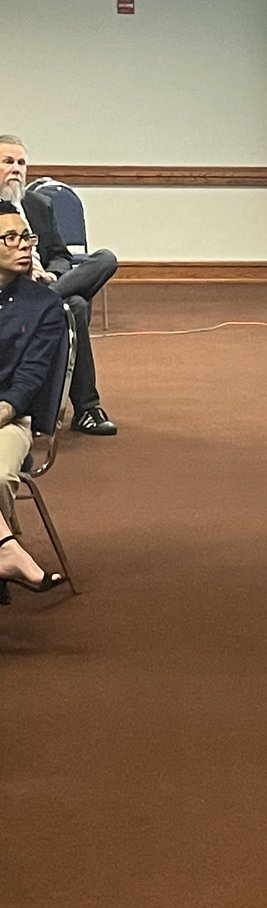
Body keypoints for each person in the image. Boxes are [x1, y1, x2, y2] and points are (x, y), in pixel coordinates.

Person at [0, 134, 118, 435]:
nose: (16, 169)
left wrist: (52, 275)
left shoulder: (39, 204)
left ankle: (51, 296)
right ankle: (87, 409)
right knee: (75, 305)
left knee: (105, 259)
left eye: (22, 163)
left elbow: (60, 255)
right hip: (11, 290)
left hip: (47, 284)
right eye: (8, 161)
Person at [0, 197, 67, 602]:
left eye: (27, 236)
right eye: (11, 237)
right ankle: (7, 550)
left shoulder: (44, 305)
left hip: (11, 417)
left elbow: (29, 383)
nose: (24, 245)